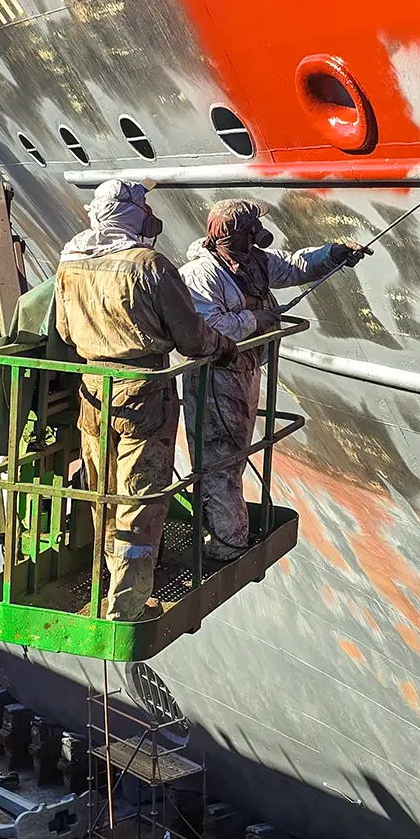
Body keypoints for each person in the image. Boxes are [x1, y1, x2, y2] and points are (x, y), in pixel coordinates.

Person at [55, 180, 235, 621]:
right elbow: (191, 339)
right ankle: (127, 603)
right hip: (144, 392)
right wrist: (225, 345)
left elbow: (63, 330)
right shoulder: (150, 265)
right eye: (146, 205)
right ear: (134, 212)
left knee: (101, 487)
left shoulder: (71, 260)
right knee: (140, 495)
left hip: (93, 389)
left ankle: (106, 576)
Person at [179, 200, 371, 561]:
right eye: (252, 226)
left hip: (245, 371)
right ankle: (228, 543)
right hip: (215, 378)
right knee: (219, 461)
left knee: (234, 458)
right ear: (237, 233)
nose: (258, 232)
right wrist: (258, 318)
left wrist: (335, 254)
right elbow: (211, 328)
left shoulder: (256, 264)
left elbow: (295, 265)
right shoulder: (200, 275)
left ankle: (228, 535)